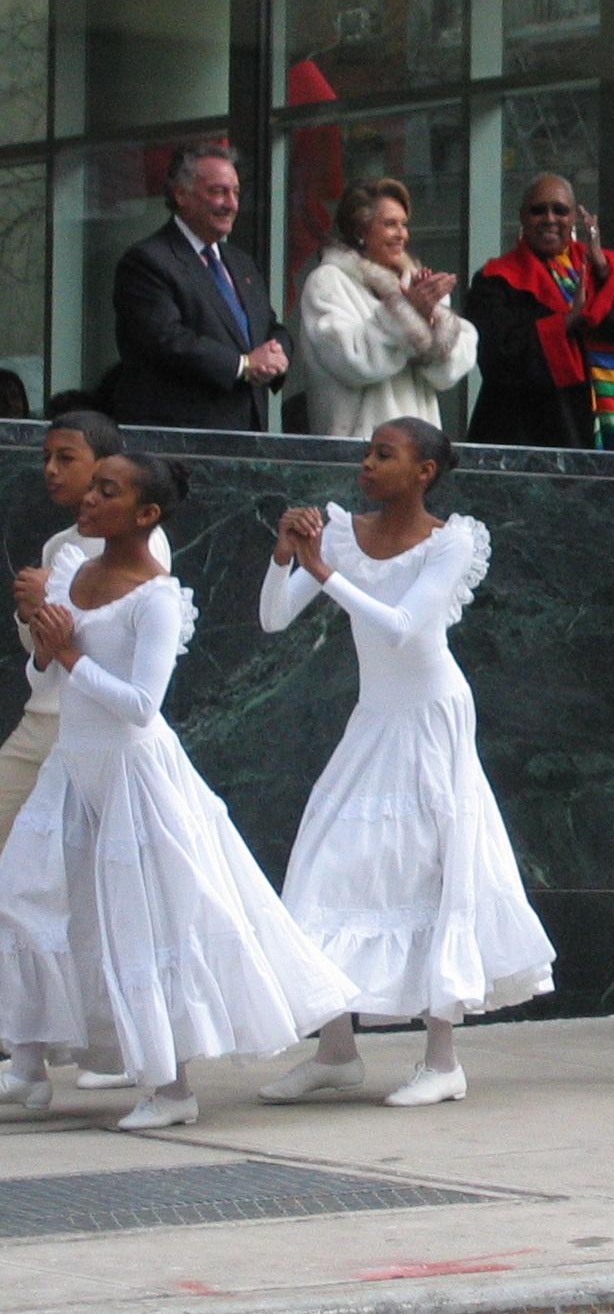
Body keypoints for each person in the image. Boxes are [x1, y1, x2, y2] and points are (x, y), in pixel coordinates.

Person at [0, 455, 353, 1127]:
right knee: (23, 897)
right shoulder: (75, 573)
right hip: (73, 768)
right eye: (93, 486)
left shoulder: (158, 597)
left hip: (136, 776)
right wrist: (45, 642)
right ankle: (27, 1065)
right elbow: (47, 664)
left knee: (148, 924)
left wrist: (69, 655)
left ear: (146, 515)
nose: (90, 499)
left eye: (109, 491)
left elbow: (140, 704)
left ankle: (171, 1089)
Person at [253, 420, 555, 1108]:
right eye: (367, 452)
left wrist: (326, 571)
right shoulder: (336, 531)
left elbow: (400, 624)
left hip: (433, 718)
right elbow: (274, 620)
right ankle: (335, 1051)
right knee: (325, 864)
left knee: (438, 870)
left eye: (383, 455)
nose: (367, 464)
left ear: (423, 471)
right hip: (376, 719)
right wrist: (286, 557)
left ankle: (442, 1060)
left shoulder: (452, 541)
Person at [4, 413, 172, 853]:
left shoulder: (144, 551)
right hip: (45, 719)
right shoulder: (60, 546)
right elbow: (43, 658)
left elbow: (126, 662)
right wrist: (31, 615)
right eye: (45, 459)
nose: (51, 470)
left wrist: (60, 630)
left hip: (98, 727)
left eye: (66, 458)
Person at [465, 174, 614, 450]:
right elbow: (497, 358)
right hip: (531, 436)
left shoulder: (601, 267)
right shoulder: (495, 280)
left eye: (560, 210)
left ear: (574, 218)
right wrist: (565, 323)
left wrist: (604, 269)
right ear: (522, 217)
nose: (550, 219)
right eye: (538, 210)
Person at [109, 142, 291, 431]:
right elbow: (166, 340)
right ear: (181, 194)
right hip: (179, 439)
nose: (231, 204)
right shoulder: (147, 261)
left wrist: (278, 353)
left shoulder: (241, 262)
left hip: (246, 434)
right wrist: (243, 365)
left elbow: (269, 326)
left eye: (236, 193)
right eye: (219, 191)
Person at [298, 179, 478, 439]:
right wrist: (405, 313)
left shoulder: (413, 283)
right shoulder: (328, 281)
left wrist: (429, 320)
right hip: (359, 454)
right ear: (361, 229)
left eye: (404, 224)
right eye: (390, 224)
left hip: (415, 453)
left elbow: (447, 374)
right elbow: (353, 360)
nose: (402, 234)